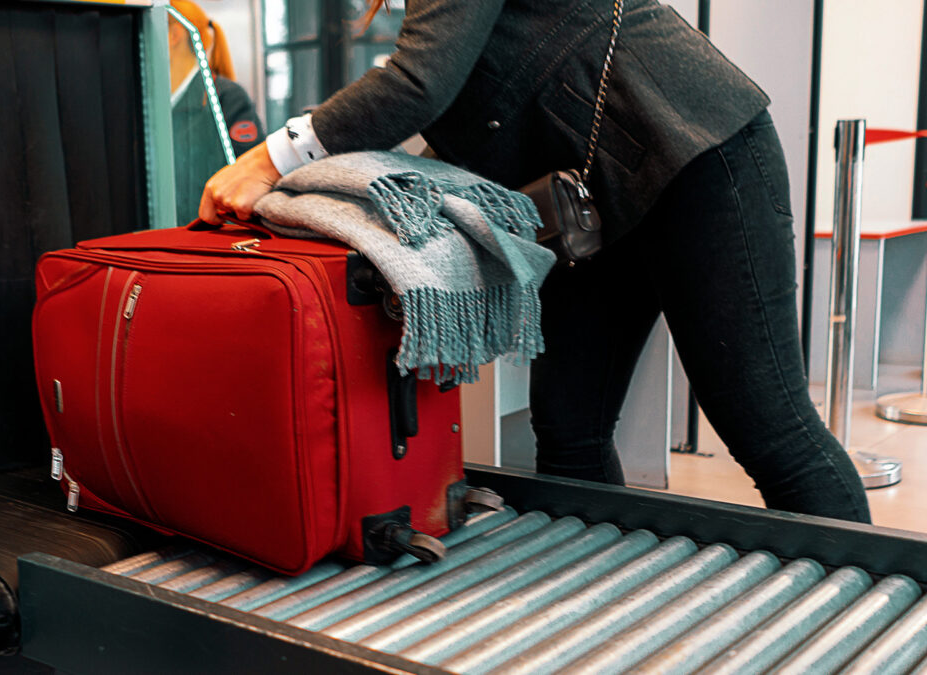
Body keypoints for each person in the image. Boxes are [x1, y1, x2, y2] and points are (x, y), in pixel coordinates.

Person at [199, 0, 873, 523]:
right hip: (600, 188)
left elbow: (418, 81)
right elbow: (472, 93)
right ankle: (598, 621)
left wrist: (272, 157)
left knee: (770, 429)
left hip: (695, 148)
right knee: (569, 426)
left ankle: (871, 637)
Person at [168, 0, 264, 225]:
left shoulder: (226, 98)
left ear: (174, 35)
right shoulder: (152, 102)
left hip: (208, 238)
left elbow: (248, 183)